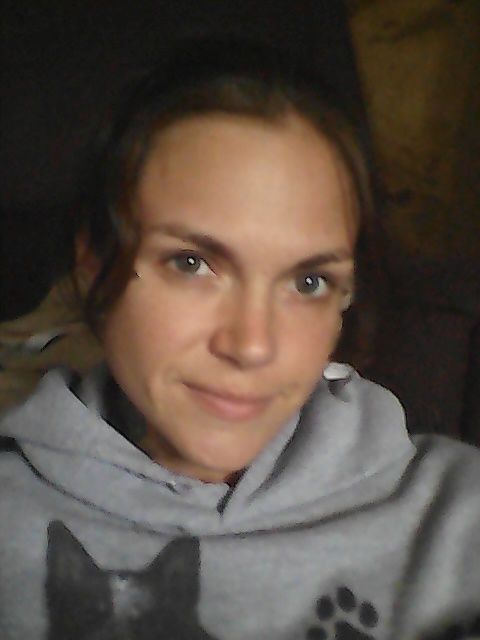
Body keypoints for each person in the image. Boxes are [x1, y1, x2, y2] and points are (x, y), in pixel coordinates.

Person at [0, 37, 479, 640]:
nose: (253, 346)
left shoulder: (458, 515)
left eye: (308, 281)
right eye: (192, 263)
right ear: (93, 264)